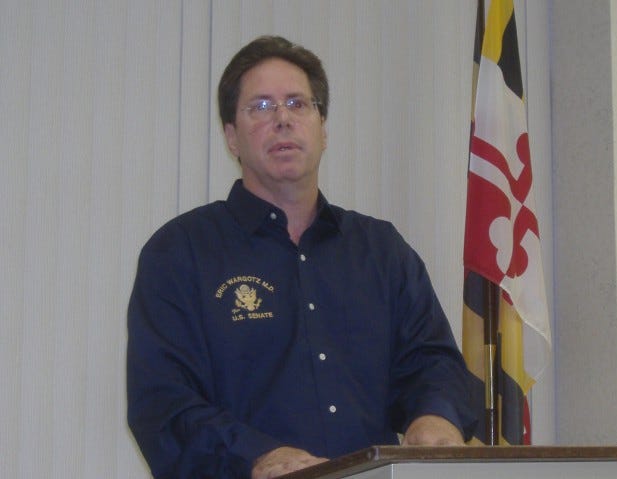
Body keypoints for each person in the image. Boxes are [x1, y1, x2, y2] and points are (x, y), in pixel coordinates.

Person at [127, 35, 476, 479]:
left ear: (323, 128)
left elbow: (433, 362)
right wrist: (259, 456)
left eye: (298, 103)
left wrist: (435, 415)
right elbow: (162, 404)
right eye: (261, 107)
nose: (283, 119)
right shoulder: (179, 254)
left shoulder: (382, 251)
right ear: (231, 137)